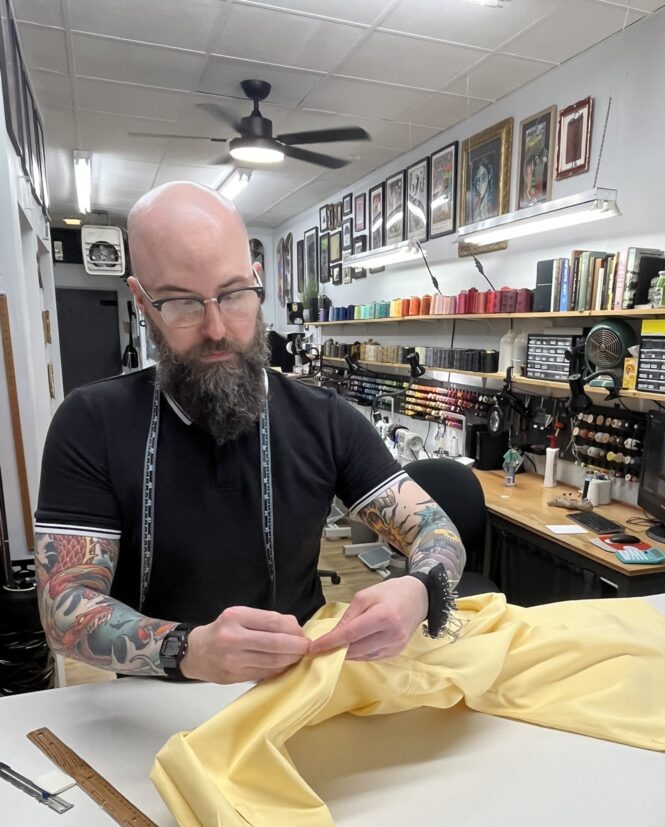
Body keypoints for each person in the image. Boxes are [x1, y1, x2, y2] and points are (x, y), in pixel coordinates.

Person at [34, 182, 465, 685]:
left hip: (300, 690)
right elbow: (63, 608)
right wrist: (187, 649)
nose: (217, 328)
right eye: (182, 303)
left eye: (234, 294)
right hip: (156, 700)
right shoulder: (92, 424)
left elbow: (436, 530)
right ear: (142, 302)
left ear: (257, 281)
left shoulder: (326, 419)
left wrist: (419, 591)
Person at [470, 157, 495, 222]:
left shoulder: (491, 207)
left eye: (483, 178)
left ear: (489, 177)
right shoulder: (475, 205)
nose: (480, 184)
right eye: (478, 180)